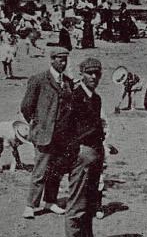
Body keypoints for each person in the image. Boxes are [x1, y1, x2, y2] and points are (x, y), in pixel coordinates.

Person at [20, 48, 75, 219]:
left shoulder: (67, 81)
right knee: (40, 170)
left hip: (61, 134)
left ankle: (51, 201)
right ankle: (31, 205)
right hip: (44, 133)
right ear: (52, 60)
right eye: (60, 59)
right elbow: (26, 106)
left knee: (56, 170)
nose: (63, 63)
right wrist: (38, 123)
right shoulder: (38, 79)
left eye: (65, 60)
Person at [66, 58, 106, 237]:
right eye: (89, 73)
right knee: (77, 205)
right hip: (81, 153)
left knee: (90, 202)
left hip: (95, 152)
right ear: (81, 74)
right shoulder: (74, 96)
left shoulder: (96, 98)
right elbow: (64, 127)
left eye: (97, 73)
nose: (93, 77)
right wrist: (74, 151)